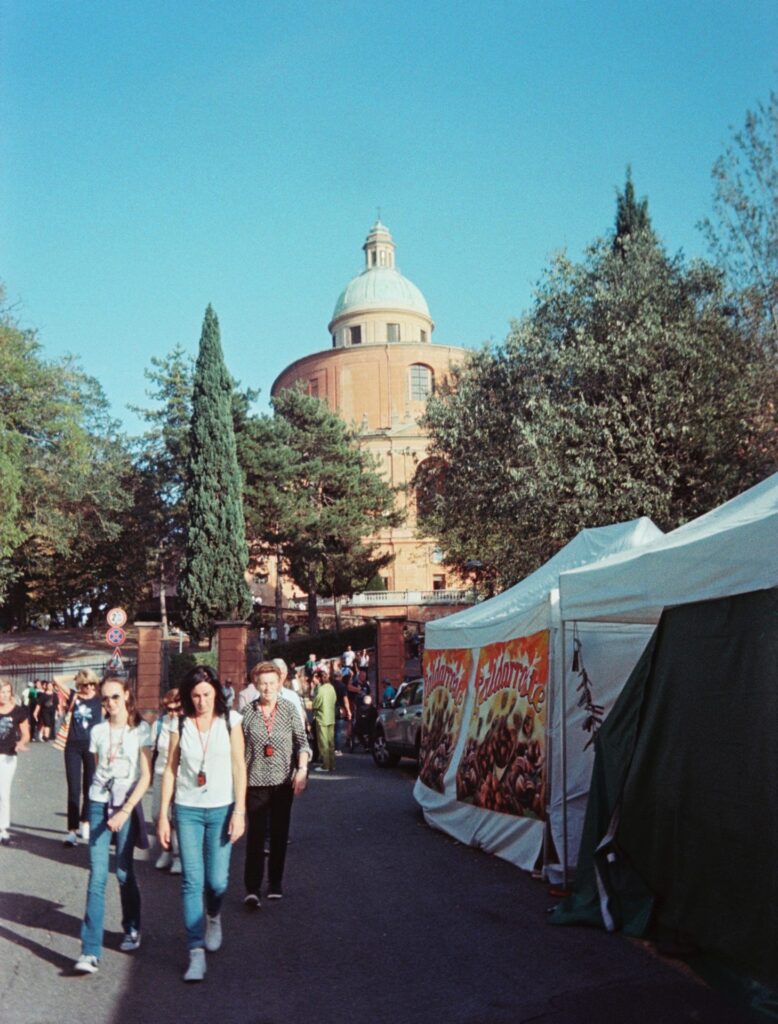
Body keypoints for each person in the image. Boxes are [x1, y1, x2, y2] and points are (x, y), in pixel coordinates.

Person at [158, 666, 246, 983]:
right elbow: (169, 770)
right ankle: (195, 952)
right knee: (191, 881)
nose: (201, 701)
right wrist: (163, 816)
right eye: (195, 695)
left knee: (217, 882)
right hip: (187, 809)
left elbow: (239, 766)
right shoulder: (177, 723)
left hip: (222, 808)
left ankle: (214, 916)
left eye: (207, 694)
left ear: (216, 693)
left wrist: (240, 811)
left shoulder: (231, 721)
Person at [74, 677, 152, 974]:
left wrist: (126, 810)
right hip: (98, 802)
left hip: (126, 804)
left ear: (127, 695)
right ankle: (89, 950)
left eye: (115, 697)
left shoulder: (140, 730)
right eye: (105, 699)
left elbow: (145, 777)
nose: (110, 704)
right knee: (97, 875)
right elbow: (98, 769)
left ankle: (132, 926)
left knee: (122, 870)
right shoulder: (97, 731)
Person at [241, 662, 309, 907]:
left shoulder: (290, 709)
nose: (268, 688)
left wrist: (301, 771)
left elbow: (302, 743)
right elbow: (238, 750)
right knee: (256, 837)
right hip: (255, 782)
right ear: (256, 685)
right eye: (263, 683)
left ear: (280, 683)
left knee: (279, 834)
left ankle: (275, 882)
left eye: (272, 683)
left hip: (283, 783)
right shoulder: (247, 712)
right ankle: (252, 888)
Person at [63, 669, 103, 847]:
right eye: (85, 684)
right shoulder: (74, 696)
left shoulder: (100, 698)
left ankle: (86, 821)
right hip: (72, 745)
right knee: (73, 788)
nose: (89, 687)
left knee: (90, 786)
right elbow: (56, 679)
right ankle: (72, 830)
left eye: (91, 684)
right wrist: (75, 677)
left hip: (92, 746)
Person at [151, 688, 182, 873]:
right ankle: (166, 850)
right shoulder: (160, 724)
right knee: (157, 814)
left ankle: (178, 856)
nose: (173, 713)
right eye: (169, 709)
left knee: (177, 816)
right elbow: (152, 750)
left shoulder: (186, 724)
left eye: (177, 709)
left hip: (180, 775)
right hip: (161, 773)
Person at [0, 678, 30, 846]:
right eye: (1, 692)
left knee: (3, 793)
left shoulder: (18, 711)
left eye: (7, 692)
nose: (4, 695)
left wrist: (21, 743)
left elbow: (25, 733)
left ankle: (3, 829)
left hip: (8, 756)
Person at [312, 669, 337, 773]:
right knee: (331, 742)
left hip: (322, 717)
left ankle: (325, 765)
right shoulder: (331, 687)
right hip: (331, 716)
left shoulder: (321, 689)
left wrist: (313, 705)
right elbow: (335, 699)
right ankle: (332, 764)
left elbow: (316, 704)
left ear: (319, 678)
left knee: (323, 742)